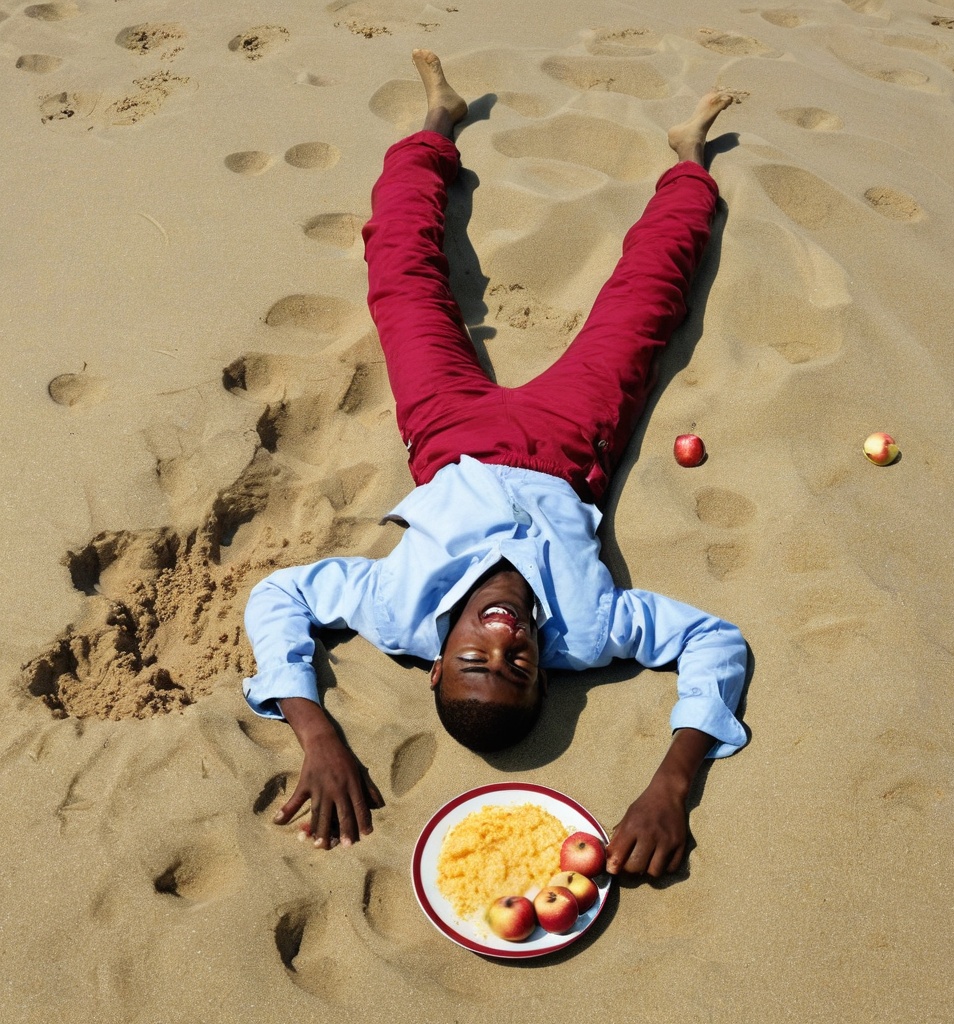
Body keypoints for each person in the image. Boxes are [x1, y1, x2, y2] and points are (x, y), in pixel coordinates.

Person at [243, 50, 747, 877]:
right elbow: (712, 641)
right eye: (519, 670)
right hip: (572, 444)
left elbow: (279, 597)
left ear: (437, 665)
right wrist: (671, 783)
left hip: (449, 434)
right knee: (649, 298)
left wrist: (318, 733)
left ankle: (436, 123)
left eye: (475, 662)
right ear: (547, 675)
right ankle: (690, 158)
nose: (503, 645)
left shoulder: (396, 610)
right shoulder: (590, 632)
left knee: (401, 275)